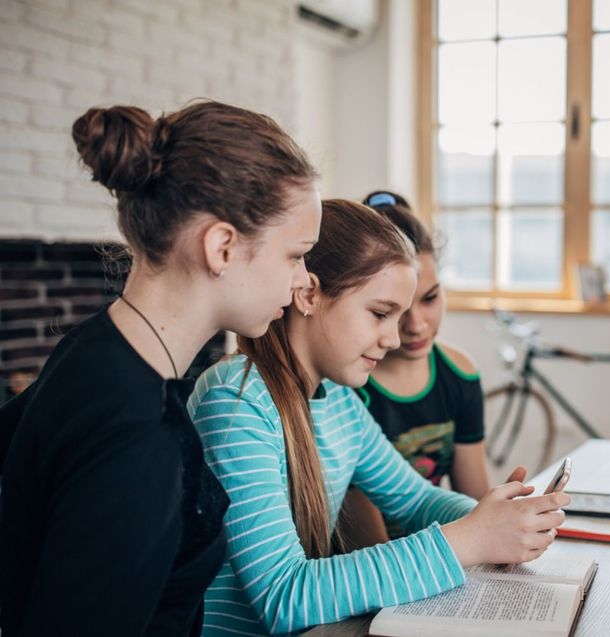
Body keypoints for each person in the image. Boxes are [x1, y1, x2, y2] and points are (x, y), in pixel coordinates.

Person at [0, 101, 321, 636]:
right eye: (296, 255)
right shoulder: (139, 440)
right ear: (222, 247)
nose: (303, 280)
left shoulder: (91, 347)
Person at [187, 199, 568, 637]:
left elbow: (416, 501)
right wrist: (473, 538)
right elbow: (284, 595)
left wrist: (499, 520)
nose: (392, 338)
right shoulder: (236, 400)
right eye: (380, 313)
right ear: (309, 294)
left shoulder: (339, 402)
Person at [343, 191, 489, 541]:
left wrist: (503, 516)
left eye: (430, 298)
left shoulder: (458, 373)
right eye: (391, 309)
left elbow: (474, 501)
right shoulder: (346, 383)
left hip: (442, 559)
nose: (416, 325)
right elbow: (367, 547)